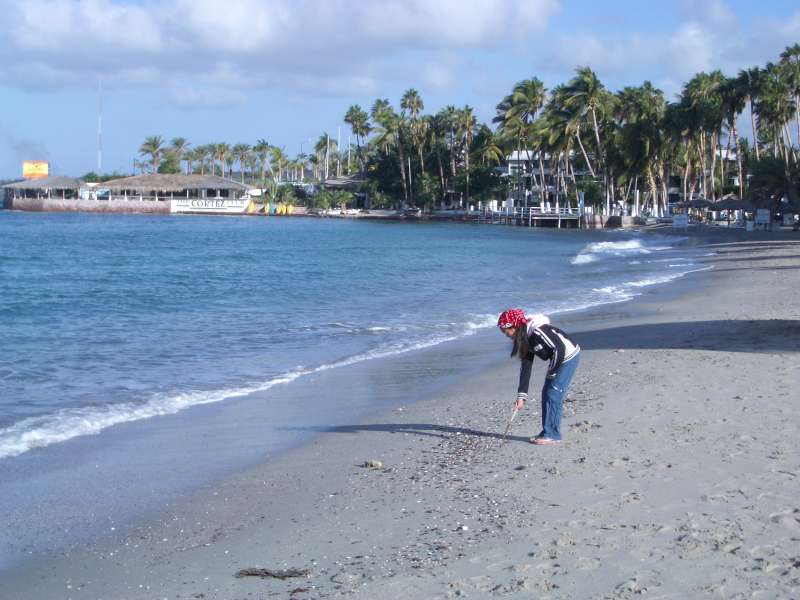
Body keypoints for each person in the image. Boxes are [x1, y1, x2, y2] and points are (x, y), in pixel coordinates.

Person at [497, 309, 581, 445]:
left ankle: (553, 435)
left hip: (568, 357)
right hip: (558, 359)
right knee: (546, 393)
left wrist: (553, 371)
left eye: (505, 330)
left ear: (515, 326)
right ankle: (547, 431)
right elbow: (526, 366)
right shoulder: (524, 337)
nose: (505, 334)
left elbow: (559, 348)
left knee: (553, 393)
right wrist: (521, 396)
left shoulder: (537, 332)